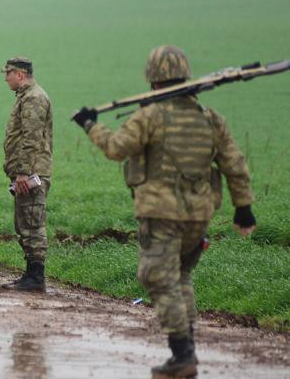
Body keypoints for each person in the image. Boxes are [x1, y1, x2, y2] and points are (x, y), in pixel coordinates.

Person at [73, 46, 255, 377]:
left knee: (157, 276)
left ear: (153, 80)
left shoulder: (150, 116)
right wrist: (244, 208)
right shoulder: (209, 117)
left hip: (161, 213)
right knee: (181, 276)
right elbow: (235, 164)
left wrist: (89, 125)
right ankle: (186, 348)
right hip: (198, 215)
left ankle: (182, 353)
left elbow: (116, 149)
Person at [1, 56, 53, 292]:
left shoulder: (33, 98)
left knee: (32, 223)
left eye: (8, 74)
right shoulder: (26, 97)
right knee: (24, 222)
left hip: (32, 173)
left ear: (19, 74)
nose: (6, 78)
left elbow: (31, 138)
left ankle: (35, 277)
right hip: (28, 171)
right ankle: (30, 275)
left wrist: (23, 172)